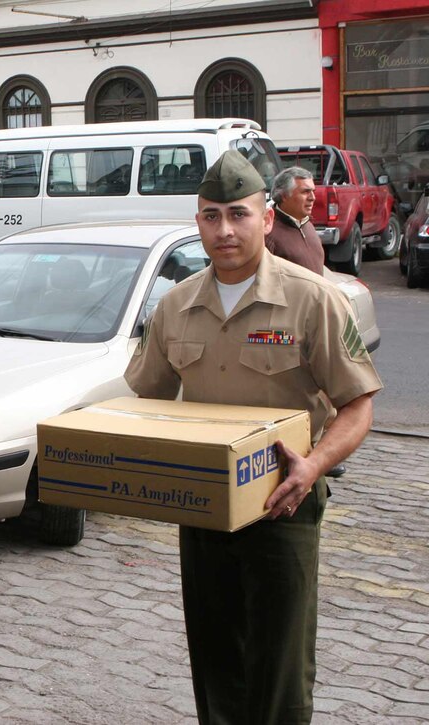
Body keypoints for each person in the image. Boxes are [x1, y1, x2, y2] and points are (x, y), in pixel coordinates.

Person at [125, 150, 382, 725]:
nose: (224, 230)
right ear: (198, 222)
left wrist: (313, 467)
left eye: (238, 215)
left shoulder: (311, 299)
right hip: (206, 510)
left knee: (280, 670)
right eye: (210, 216)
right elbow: (147, 399)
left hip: (282, 508)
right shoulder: (175, 306)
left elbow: (358, 405)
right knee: (216, 665)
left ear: (266, 219)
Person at [266, 166, 326, 275]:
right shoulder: (269, 234)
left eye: (313, 191)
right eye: (305, 192)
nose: (313, 197)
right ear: (284, 196)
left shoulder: (308, 226)